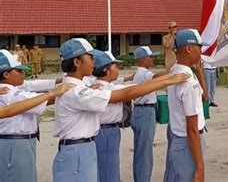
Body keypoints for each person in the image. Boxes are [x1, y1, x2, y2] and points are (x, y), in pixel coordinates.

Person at [52, 38, 188, 182]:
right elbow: (126, 93)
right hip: (76, 150)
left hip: (84, 146)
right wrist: (168, 80)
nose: (93, 61)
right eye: (90, 57)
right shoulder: (75, 92)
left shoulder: (81, 88)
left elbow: (131, 89)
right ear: (77, 62)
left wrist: (172, 75)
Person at [0, 49, 75, 181]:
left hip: (18, 142)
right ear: (6, 74)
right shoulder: (8, 93)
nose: (23, 73)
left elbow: (30, 85)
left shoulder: (12, 89)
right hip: (14, 144)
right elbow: (44, 100)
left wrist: (58, 85)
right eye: (19, 71)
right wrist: (55, 93)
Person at [164, 29, 208, 182]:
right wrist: (200, 167)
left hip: (179, 139)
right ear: (189, 48)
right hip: (188, 143)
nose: (201, 52)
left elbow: (204, 96)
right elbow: (192, 129)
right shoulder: (187, 81)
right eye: (199, 47)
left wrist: (200, 72)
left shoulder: (176, 71)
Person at [90, 50, 127, 182]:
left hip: (105, 131)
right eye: (115, 67)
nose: (118, 70)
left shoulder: (102, 85)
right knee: (108, 169)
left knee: (105, 167)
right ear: (106, 69)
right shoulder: (105, 88)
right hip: (105, 132)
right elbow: (136, 89)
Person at [130, 46, 163, 182]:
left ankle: (140, 177)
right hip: (145, 111)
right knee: (145, 152)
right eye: (151, 57)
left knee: (141, 149)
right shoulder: (144, 73)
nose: (153, 59)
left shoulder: (139, 73)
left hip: (140, 111)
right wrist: (173, 70)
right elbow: (156, 76)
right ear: (143, 60)